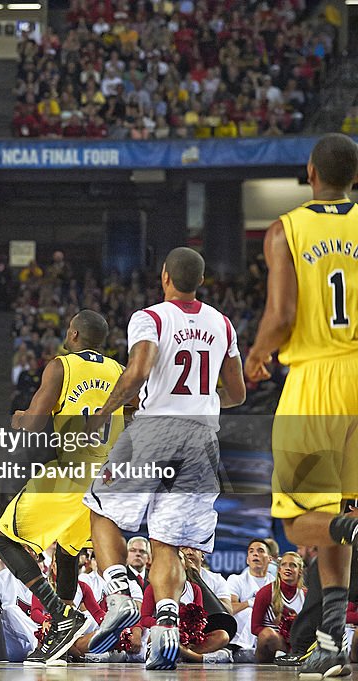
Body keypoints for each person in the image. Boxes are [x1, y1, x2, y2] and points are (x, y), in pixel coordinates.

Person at [82, 247, 246, 671]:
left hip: (156, 431)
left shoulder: (151, 317)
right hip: (203, 438)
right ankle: (167, 626)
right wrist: (204, 399)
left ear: (165, 277)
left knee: (100, 510)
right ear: (201, 281)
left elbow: (138, 370)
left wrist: (104, 412)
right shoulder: (222, 324)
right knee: (167, 540)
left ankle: (119, 596)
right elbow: (238, 393)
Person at [245, 132, 358, 679]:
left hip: (316, 379)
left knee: (298, 523)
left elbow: (283, 313)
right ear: (353, 176)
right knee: (342, 509)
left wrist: (259, 353)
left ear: (311, 172)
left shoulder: (285, 229)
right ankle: (334, 635)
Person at [0, 310, 124, 665]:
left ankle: (63, 617)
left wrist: (19, 418)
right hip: (105, 480)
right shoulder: (118, 372)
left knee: (3, 538)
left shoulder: (61, 366)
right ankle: (59, 639)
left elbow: (34, 424)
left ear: (75, 334)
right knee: (67, 553)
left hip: (71, 472)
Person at [253, 551, 307, 662]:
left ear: (300, 571)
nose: (288, 568)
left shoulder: (306, 595)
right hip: (273, 643)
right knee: (268, 634)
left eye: (293, 565)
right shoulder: (266, 592)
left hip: (297, 644)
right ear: (279, 570)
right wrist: (283, 632)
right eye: (284, 565)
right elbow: (255, 627)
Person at [226, 538, 276, 656]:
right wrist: (249, 603)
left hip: (266, 629)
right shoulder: (236, 580)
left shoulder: (275, 583)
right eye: (251, 551)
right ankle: (240, 648)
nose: (255, 554)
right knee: (249, 612)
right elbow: (229, 609)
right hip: (239, 630)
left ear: (270, 559)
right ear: (248, 560)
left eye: (260, 551)